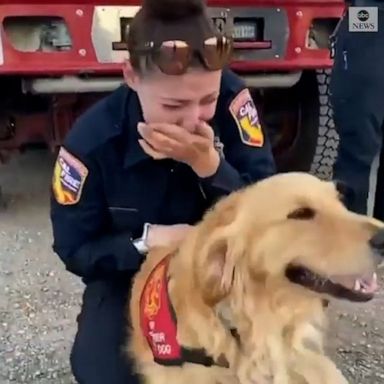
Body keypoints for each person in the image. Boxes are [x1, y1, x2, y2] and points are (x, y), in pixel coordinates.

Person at [49, 0, 276, 382]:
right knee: (103, 371)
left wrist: (210, 166)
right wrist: (148, 241)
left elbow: (269, 209)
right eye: (174, 104)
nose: (193, 119)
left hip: (225, 266)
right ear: (131, 77)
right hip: (131, 274)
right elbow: (76, 249)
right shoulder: (92, 143)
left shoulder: (234, 102)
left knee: (265, 361)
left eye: (206, 100)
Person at [330, 2, 384, 218]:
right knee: (357, 151)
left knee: (357, 153)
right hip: (367, 16)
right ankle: (350, 243)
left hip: (368, 17)